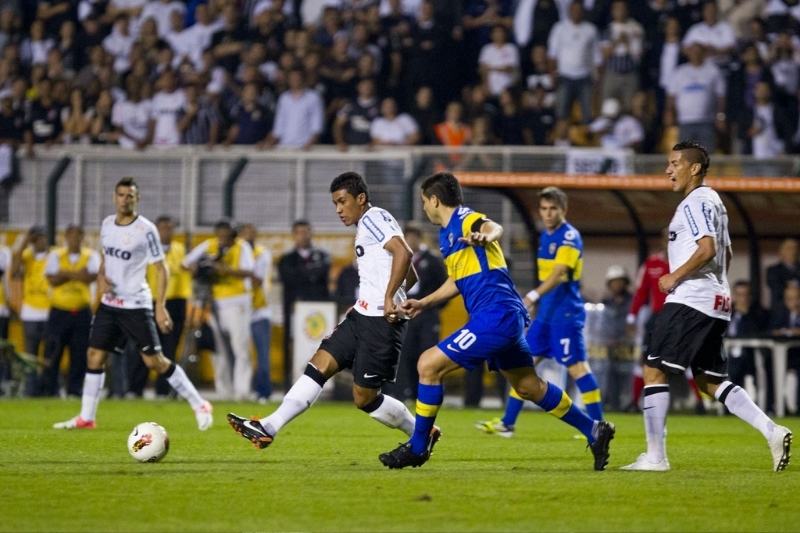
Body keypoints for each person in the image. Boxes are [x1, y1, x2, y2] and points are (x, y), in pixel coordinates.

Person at [378, 172, 614, 470]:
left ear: (434, 200)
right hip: (503, 315)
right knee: (528, 385)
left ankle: (418, 446)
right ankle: (594, 429)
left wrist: (486, 235)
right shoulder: (447, 235)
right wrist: (424, 302)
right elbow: (456, 279)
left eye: (425, 202)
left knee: (427, 364)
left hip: (495, 314)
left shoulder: (465, 218)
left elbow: (492, 227)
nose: (424, 207)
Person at [622, 141, 792, 472]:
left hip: (691, 299)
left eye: (674, 163)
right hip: (716, 302)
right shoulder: (716, 201)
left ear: (694, 168)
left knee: (654, 370)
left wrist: (675, 276)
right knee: (708, 380)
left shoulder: (694, 201)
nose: (667, 169)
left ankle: (655, 457)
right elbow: (725, 253)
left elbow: (708, 249)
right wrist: (717, 285)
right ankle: (772, 430)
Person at [227, 172, 419, 452]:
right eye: (335, 204)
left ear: (361, 198)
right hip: (363, 315)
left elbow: (404, 255)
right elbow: (410, 275)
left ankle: (421, 431)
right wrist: (382, 296)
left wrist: (389, 298)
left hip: (381, 323)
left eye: (342, 202)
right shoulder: (370, 222)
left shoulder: (374, 218)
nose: (339, 210)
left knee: (365, 399)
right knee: (319, 364)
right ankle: (268, 426)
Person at [54, 177, 212, 431]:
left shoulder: (145, 229)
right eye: (121, 195)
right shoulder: (107, 224)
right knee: (94, 356)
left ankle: (200, 403)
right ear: (114, 197)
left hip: (135, 305)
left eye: (130, 196)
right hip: (109, 304)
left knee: (155, 362)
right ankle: (86, 418)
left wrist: (160, 306)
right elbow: (106, 258)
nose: (124, 200)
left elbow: (161, 269)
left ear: (137, 199)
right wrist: (102, 279)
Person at [477, 186, 604, 438]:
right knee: (522, 366)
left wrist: (533, 295)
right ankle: (508, 423)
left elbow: (559, 274)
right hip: (545, 317)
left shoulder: (569, 236)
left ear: (563, 210)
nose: (547, 214)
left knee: (578, 369)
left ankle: (599, 425)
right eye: (544, 209)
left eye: (553, 209)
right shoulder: (546, 236)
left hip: (566, 316)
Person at [183, 219, 254, 400]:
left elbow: (248, 271)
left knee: (240, 348)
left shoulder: (242, 246)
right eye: (220, 234)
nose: (223, 238)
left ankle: (242, 391)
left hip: (237, 302)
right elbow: (186, 263)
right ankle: (224, 391)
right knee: (219, 350)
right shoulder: (210, 245)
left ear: (233, 235)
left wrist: (222, 269)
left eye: (226, 235)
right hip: (214, 304)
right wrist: (199, 267)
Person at [383, 222, 448, 401]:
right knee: (405, 354)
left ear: (420, 238)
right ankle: (406, 392)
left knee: (427, 354)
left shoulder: (433, 261)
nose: (411, 240)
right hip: (405, 316)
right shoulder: (396, 260)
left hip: (427, 316)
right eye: (408, 236)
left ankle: (426, 394)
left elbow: (444, 287)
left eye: (414, 236)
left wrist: (432, 309)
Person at [127, 215, 191, 397]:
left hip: (176, 301)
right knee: (146, 346)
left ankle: (163, 390)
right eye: (163, 227)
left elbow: (188, 271)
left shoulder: (181, 249)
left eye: (169, 227)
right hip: (152, 301)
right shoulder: (147, 249)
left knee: (169, 348)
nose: (166, 231)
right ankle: (135, 388)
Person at [40, 225, 99, 397]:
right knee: (53, 350)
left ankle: (75, 389)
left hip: (81, 311)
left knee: (80, 352)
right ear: (66, 237)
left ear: (83, 237)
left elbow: (91, 277)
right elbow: (52, 280)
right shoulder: (55, 254)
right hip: (59, 310)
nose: (75, 240)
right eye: (72, 236)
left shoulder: (91, 255)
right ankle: (50, 390)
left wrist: (65, 273)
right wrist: (77, 274)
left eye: (78, 236)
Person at [277, 220, 331, 386]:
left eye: (306, 231)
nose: (303, 235)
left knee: (319, 345)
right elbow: (290, 279)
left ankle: (319, 382)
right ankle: (289, 382)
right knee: (291, 345)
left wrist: (303, 274)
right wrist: (310, 273)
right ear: (294, 235)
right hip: (294, 311)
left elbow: (321, 275)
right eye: (299, 232)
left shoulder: (323, 256)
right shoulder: (286, 259)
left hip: (320, 312)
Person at [10, 225, 51, 395]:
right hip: (31, 311)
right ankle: (31, 390)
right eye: (36, 238)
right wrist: (25, 243)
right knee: (30, 355)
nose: (39, 241)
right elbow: (14, 271)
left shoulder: (53, 255)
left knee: (49, 354)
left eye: (41, 237)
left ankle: (48, 389)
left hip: (50, 310)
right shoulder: (27, 255)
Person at [239, 222, 273, 402]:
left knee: (262, 355)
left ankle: (263, 392)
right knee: (242, 354)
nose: (248, 235)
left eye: (251, 232)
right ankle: (243, 389)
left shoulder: (262, 253)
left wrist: (234, 273)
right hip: (239, 310)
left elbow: (257, 279)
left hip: (259, 310)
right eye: (245, 232)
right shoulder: (235, 253)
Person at [766, 238, 800, 313]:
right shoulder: (773, 270)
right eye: (789, 248)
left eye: (795, 248)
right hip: (780, 312)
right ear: (782, 252)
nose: (793, 251)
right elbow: (776, 288)